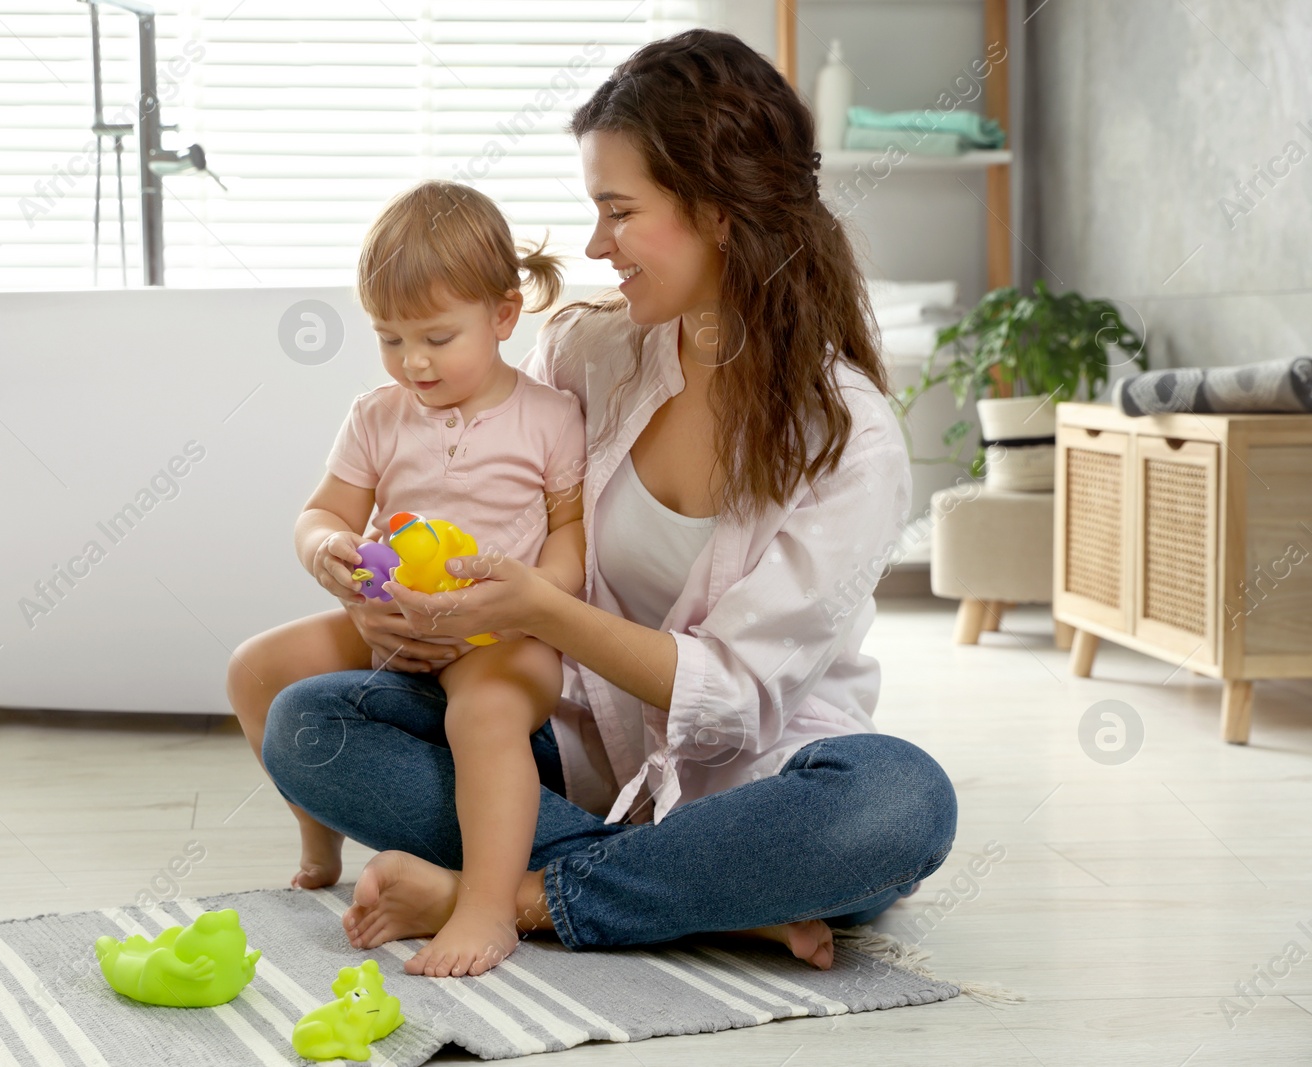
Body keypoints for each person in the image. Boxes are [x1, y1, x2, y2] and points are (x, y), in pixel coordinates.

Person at [238, 28, 958, 977]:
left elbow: (737, 699)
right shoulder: (589, 354)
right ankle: (704, 897)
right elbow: (492, 504)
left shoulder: (848, 435)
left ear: (721, 212)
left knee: (900, 802)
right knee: (309, 720)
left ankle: (512, 894)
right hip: (572, 763)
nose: (593, 245)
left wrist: (544, 610)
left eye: (619, 211)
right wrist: (425, 608)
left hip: (757, 790)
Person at [228, 180, 589, 978]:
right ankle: (318, 832)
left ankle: (488, 906)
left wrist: (533, 595)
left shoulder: (550, 416)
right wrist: (327, 553)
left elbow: (572, 539)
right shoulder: (377, 416)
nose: (412, 361)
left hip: (501, 632)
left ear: (503, 315)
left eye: (435, 336)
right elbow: (322, 513)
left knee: (487, 714)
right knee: (255, 669)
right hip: (390, 623)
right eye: (390, 338)